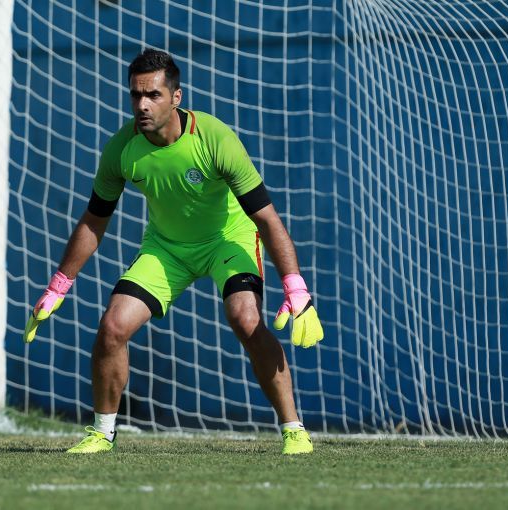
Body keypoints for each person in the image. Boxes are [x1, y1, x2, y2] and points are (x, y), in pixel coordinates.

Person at [25, 48, 324, 455]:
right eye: (136, 95)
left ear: (176, 97)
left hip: (227, 240)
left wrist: (295, 286)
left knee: (246, 319)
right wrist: (59, 284)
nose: (142, 105)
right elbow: (94, 220)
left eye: (153, 95)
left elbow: (267, 219)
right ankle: (101, 433)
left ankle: (294, 430)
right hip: (166, 249)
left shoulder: (215, 139)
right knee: (112, 328)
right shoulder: (122, 148)